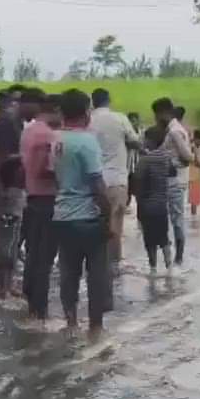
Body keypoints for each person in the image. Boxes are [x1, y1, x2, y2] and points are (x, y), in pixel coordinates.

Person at [52, 89, 113, 335]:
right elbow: (97, 184)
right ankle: (96, 327)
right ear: (86, 112)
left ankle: (71, 322)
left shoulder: (55, 139)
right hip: (87, 216)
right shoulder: (87, 141)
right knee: (97, 274)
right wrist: (108, 217)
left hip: (62, 215)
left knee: (68, 272)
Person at [89, 88, 141, 271]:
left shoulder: (88, 120)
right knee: (116, 225)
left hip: (94, 181)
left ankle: (97, 263)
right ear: (108, 100)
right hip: (117, 179)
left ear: (92, 102)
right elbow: (135, 141)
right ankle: (114, 266)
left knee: (95, 224)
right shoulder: (120, 118)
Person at [21, 93, 62, 321]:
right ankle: (40, 311)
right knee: (45, 258)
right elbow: (50, 168)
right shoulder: (49, 135)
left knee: (33, 253)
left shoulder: (28, 130)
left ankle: (31, 304)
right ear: (55, 109)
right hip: (48, 198)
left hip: (32, 197)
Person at [0, 89, 25, 299]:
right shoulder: (7, 123)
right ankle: (5, 286)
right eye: (16, 101)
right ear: (6, 102)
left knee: (7, 236)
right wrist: (26, 155)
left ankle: (6, 283)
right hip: (9, 187)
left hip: (3, 186)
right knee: (9, 238)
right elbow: (3, 157)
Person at [154, 98, 192, 265]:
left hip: (172, 181)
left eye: (156, 114)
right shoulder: (176, 129)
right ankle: (176, 260)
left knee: (175, 221)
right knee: (175, 220)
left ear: (163, 113)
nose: (155, 118)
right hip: (174, 180)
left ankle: (177, 259)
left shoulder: (174, 132)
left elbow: (187, 156)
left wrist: (170, 162)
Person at [135, 125, 176, 275]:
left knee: (150, 241)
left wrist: (139, 210)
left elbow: (137, 183)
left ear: (151, 141)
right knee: (163, 237)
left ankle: (153, 269)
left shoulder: (144, 160)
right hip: (161, 206)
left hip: (147, 206)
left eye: (145, 138)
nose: (143, 141)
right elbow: (172, 172)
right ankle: (169, 267)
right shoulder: (166, 158)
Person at [126, 111, 143, 207]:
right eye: (131, 121)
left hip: (138, 168)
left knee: (139, 195)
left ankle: (140, 219)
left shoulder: (142, 133)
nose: (134, 123)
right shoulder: (126, 134)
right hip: (127, 168)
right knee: (126, 196)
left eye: (135, 121)